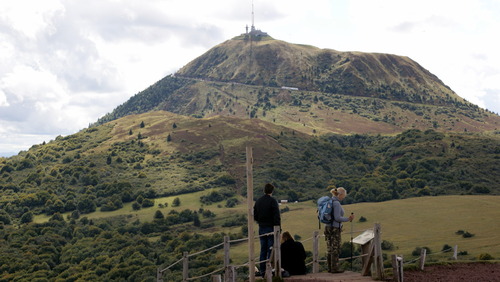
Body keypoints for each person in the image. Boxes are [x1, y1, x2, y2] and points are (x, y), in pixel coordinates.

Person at [324, 186, 354, 273]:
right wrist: (348, 219)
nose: (343, 198)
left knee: (329, 247)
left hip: (328, 227)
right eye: (343, 196)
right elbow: (337, 218)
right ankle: (335, 268)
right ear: (340, 194)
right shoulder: (336, 203)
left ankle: (330, 267)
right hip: (335, 228)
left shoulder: (330, 201)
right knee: (335, 248)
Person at [253, 183, 281, 276]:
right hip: (271, 227)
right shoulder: (273, 201)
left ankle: (262, 270)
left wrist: (260, 221)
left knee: (263, 249)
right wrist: (278, 228)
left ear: (264, 190)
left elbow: (255, 215)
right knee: (271, 249)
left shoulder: (258, 201)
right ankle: (270, 270)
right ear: (272, 191)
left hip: (261, 227)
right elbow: (276, 216)